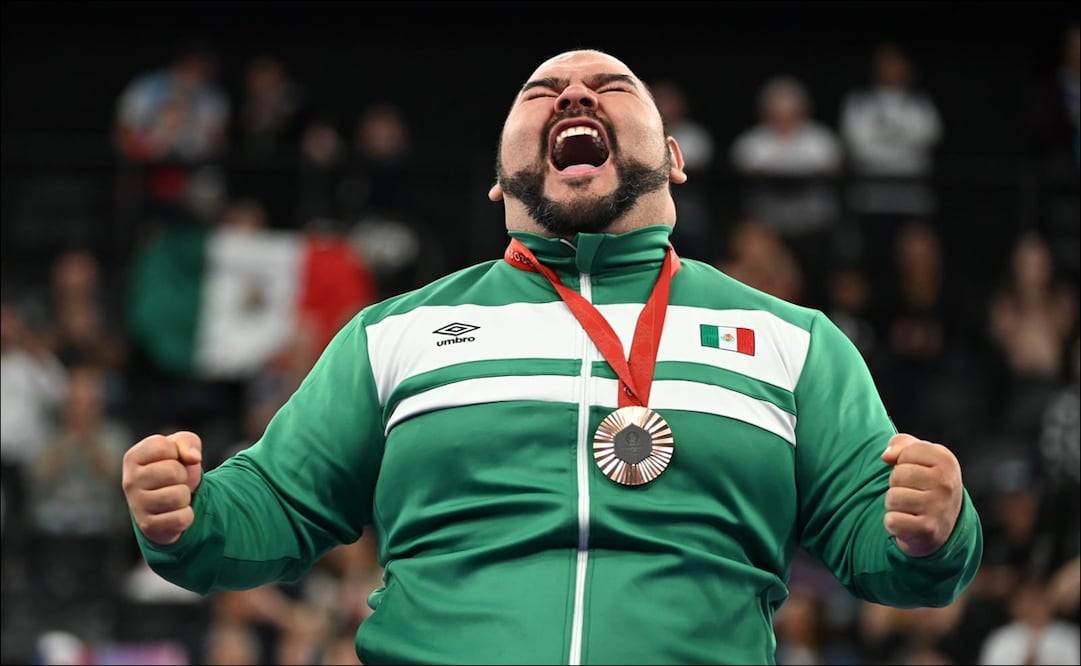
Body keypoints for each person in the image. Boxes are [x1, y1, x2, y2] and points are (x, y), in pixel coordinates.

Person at [121, 49, 983, 665]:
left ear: (674, 159)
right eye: (543, 91)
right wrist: (190, 516)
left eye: (611, 85)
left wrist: (934, 531)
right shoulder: (397, 334)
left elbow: (885, 550)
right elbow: (274, 504)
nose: (575, 94)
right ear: (499, 176)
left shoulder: (796, 343)